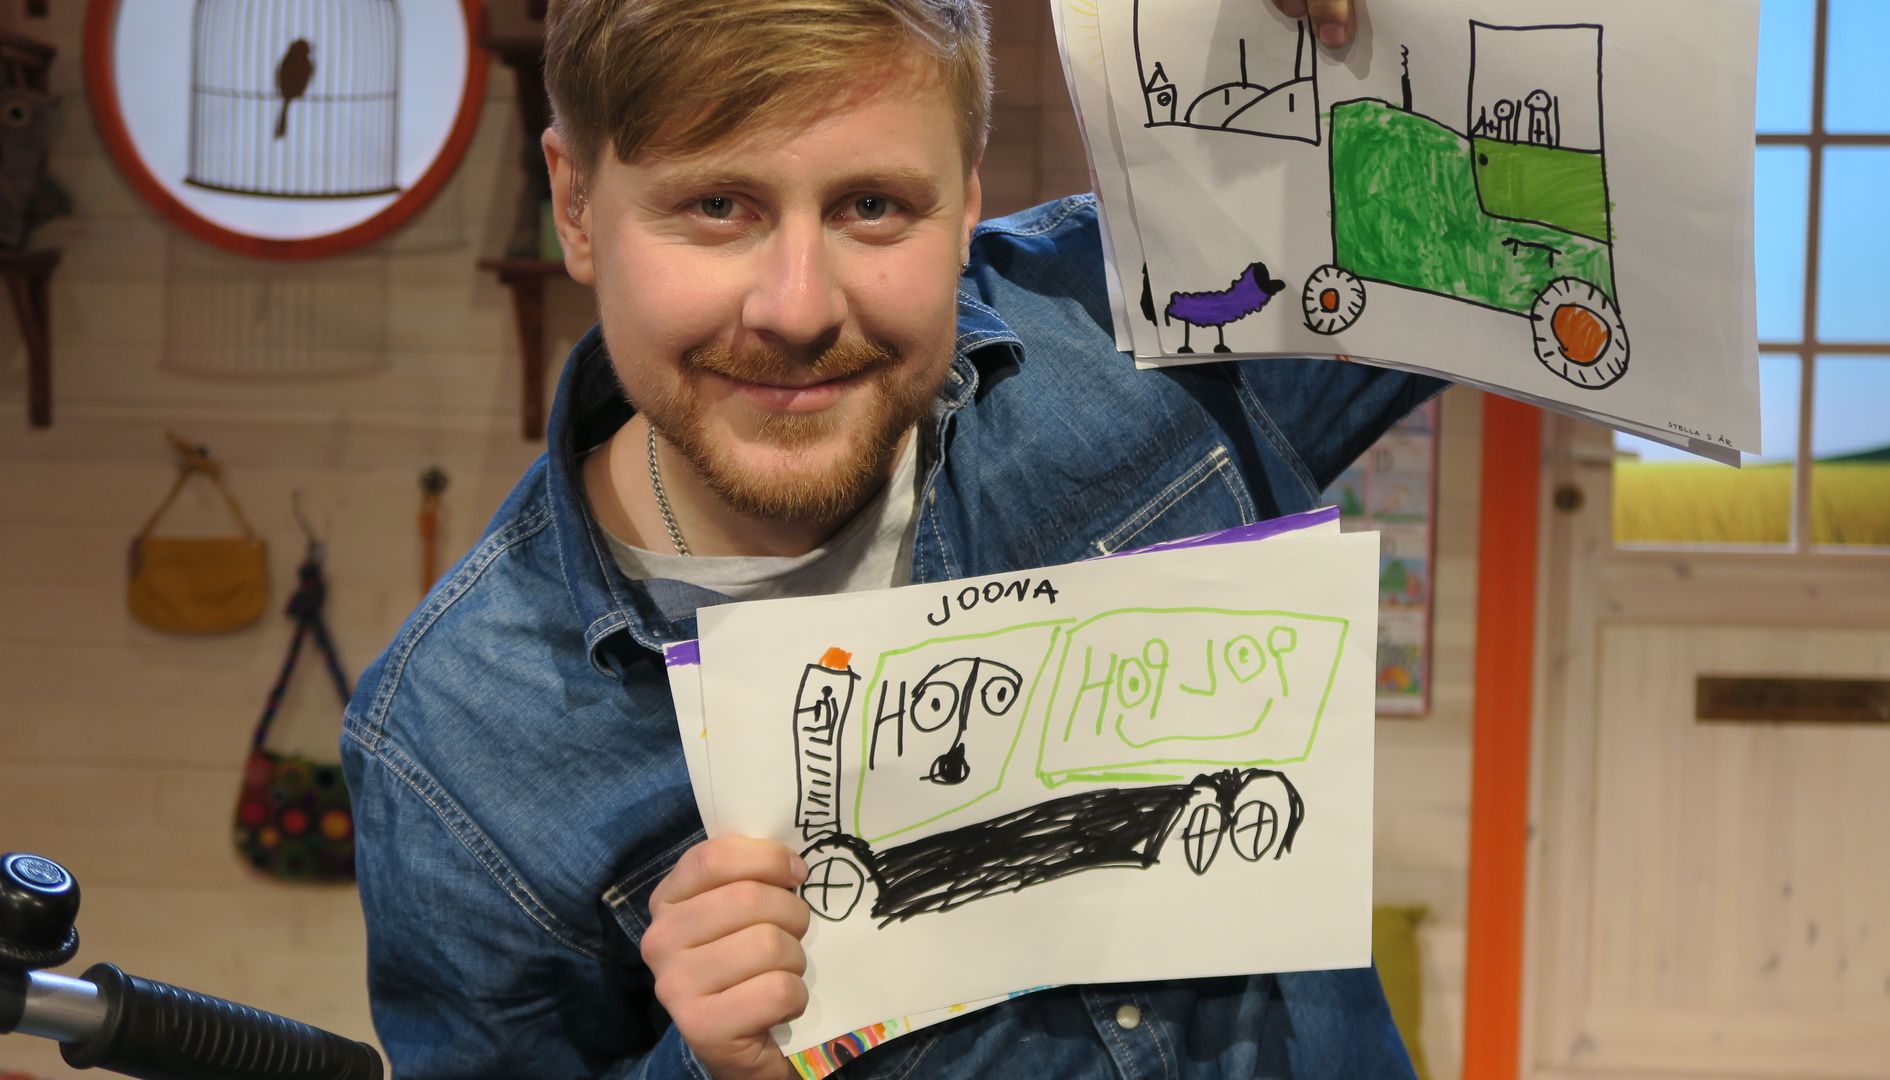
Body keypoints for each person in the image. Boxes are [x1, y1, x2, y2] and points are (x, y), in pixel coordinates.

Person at [341, 0, 1436, 1076]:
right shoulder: (455, 744)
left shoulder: (1145, 324)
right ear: (576, 205)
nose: (798, 308)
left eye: (872, 206)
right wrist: (709, 1068)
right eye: (717, 205)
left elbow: (1486, 213)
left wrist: (1404, 23)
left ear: (966, 200)